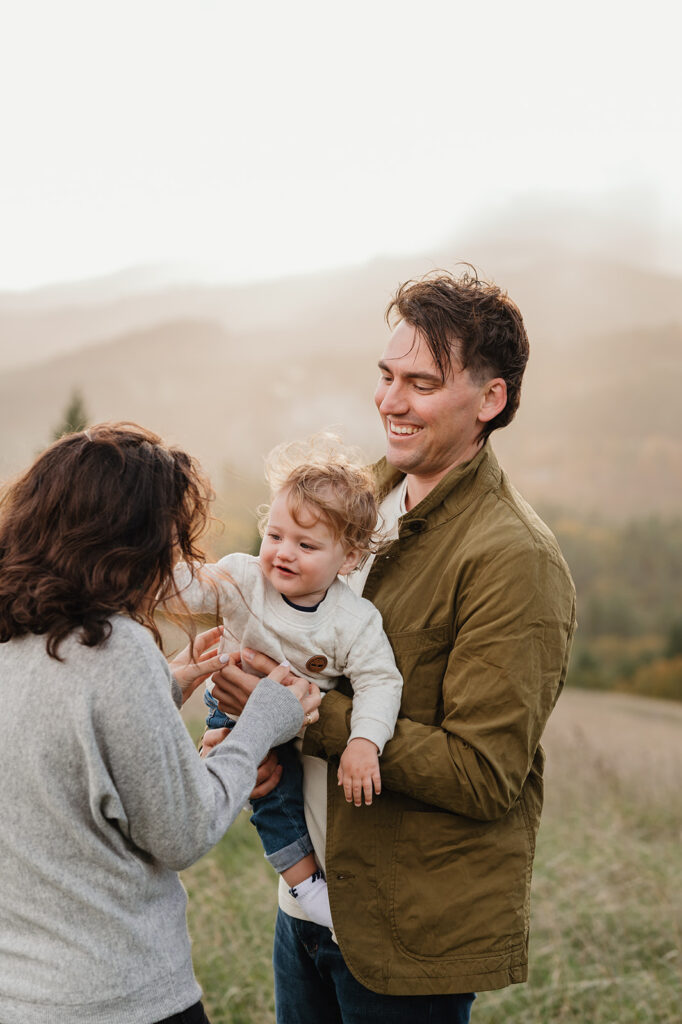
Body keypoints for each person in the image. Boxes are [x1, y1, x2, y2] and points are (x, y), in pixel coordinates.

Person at [208, 268, 577, 1023]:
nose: (390, 401)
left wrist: (302, 715)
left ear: (491, 400)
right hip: (304, 910)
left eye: (421, 382)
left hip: (406, 940)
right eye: (386, 376)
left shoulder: (514, 560)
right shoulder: (356, 502)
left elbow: (484, 773)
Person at [0, 423, 321, 1024]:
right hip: (120, 998)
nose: (176, 556)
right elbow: (183, 831)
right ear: (130, 542)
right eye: (170, 538)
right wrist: (259, 727)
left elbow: (51, 744)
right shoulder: (113, 648)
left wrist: (166, 687)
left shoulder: (19, 632)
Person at [170, 437, 403, 931]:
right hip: (235, 712)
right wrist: (151, 564)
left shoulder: (354, 620)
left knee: (304, 792)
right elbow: (188, 587)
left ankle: (315, 881)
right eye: (275, 536)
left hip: (305, 724)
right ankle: (303, 882)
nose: (283, 554)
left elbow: (380, 681)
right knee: (272, 792)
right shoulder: (243, 577)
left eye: (306, 545)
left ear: (348, 558)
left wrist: (364, 741)